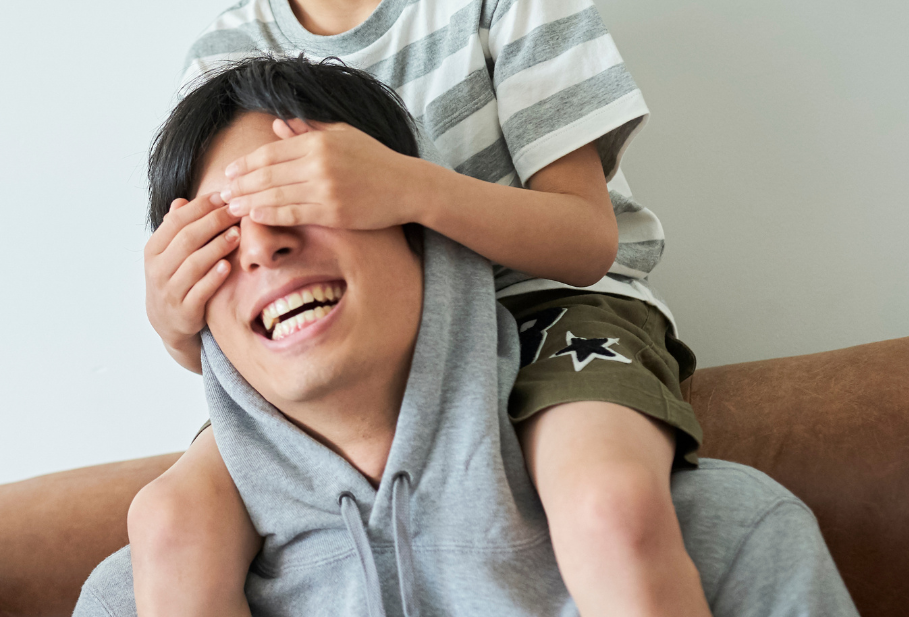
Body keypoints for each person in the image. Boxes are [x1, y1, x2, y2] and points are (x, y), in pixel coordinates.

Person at [137, 0, 714, 614]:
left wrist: (406, 189)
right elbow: (225, 326)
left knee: (610, 502)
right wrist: (171, 314)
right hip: (349, 369)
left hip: (548, 319)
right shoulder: (220, 63)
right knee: (166, 525)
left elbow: (587, 240)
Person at [79, 56, 859, 616]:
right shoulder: (134, 599)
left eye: (303, 191)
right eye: (218, 231)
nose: (262, 244)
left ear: (427, 235)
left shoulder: (727, 541)